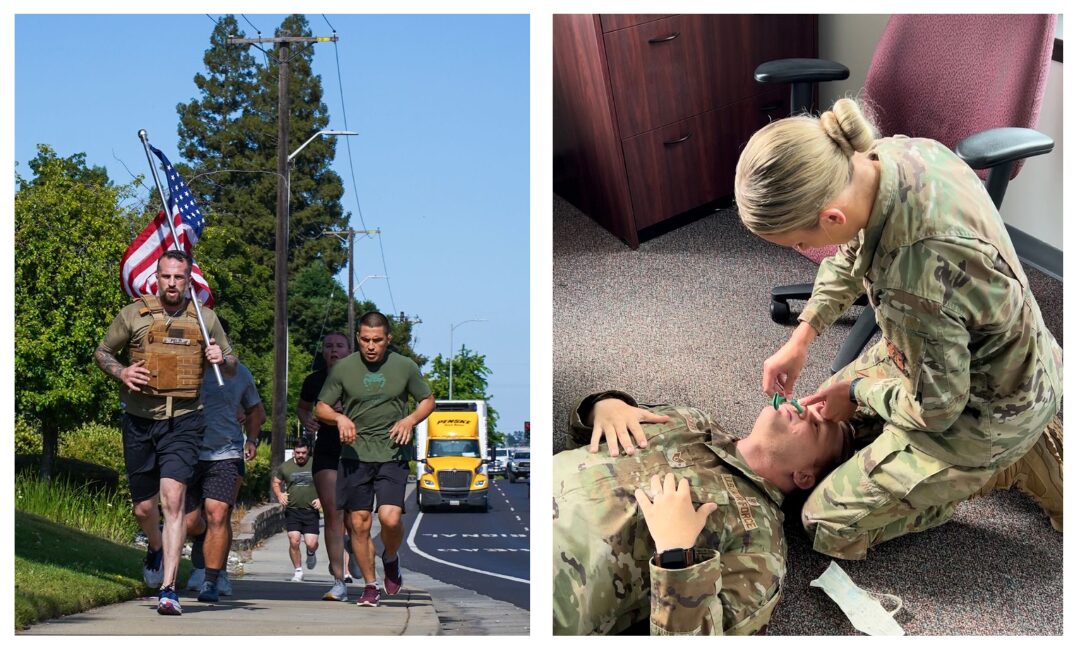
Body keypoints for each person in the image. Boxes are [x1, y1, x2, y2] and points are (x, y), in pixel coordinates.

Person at [733, 97, 1064, 561]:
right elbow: (852, 255)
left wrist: (861, 392)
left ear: (831, 218)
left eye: (802, 241)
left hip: (989, 409)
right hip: (1002, 350)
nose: (807, 248)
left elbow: (937, 411)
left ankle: (1003, 464)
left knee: (826, 525)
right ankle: (894, 446)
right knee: (833, 396)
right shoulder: (891, 156)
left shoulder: (911, 283)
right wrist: (801, 337)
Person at [553, 390, 852, 635]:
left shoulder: (761, 547)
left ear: (804, 476)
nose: (802, 409)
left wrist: (675, 554)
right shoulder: (691, 420)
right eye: (808, 404)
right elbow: (585, 434)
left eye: (816, 426)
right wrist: (603, 406)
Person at [94, 250, 235, 616]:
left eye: (179, 277)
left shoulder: (205, 318)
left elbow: (232, 365)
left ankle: (169, 589)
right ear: (157, 277)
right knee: (144, 508)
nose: (172, 283)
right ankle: (155, 547)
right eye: (167, 276)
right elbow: (103, 352)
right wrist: (122, 372)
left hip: (185, 421)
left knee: (173, 501)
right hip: (140, 420)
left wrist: (221, 358)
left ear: (189, 280)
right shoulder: (133, 314)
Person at [315, 311, 436, 607]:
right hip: (354, 455)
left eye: (378, 340)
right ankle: (371, 586)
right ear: (358, 338)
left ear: (388, 339)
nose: (371, 346)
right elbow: (321, 407)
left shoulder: (404, 366)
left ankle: (390, 557)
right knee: (359, 523)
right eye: (366, 340)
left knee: (390, 518)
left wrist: (410, 420)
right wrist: (339, 418)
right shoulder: (343, 368)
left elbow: (427, 400)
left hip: (393, 452)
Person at [183, 339, 265, 603]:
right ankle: (203, 545)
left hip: (225, 453)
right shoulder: (186, 366)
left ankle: (212, 578)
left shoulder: (239, 372)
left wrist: (252, 440)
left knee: (218, 514)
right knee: (190, 522)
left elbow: (256, 411)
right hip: (188, 453)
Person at [297, 332, 359, 601]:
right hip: (327, 450)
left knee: (356, 518)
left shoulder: (360, 378)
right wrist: (307, 419)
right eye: (329, 346)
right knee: (333, 515)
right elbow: (302, 408)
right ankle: (338, 580)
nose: (334, 350)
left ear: (349, 350)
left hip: (357, 450)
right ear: (323, 351)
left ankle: (355, 550)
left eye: (339, 346)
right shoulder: (314, 380)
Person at [272, 439, 322, 581]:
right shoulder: (285, 467)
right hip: (293, 510)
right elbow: (276, 482)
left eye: (303, 453)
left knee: (311, 544)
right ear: (294, 452)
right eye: (298, 452)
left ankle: (311, 553)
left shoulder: (316, 464)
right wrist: (279, 494)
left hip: (311, 510)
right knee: (294, 540)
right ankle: (298, 571)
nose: (300, 455)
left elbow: (326, 483)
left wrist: (321, 499)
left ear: (308, 452)